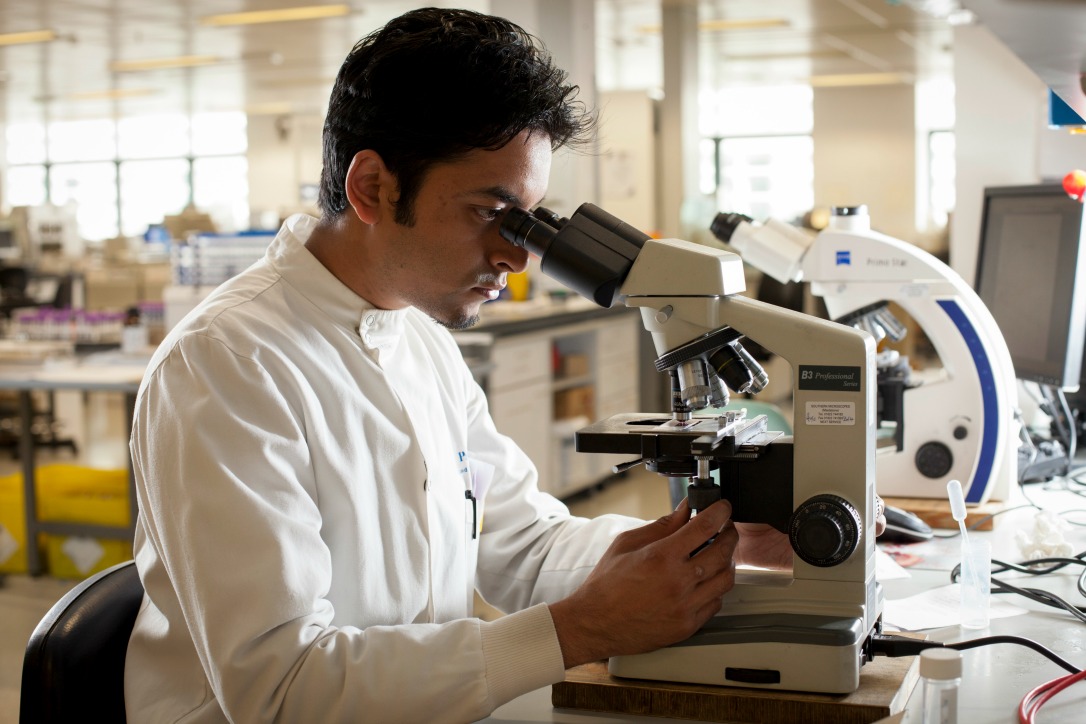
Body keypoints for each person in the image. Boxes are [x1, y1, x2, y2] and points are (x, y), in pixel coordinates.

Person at [125, 8, 843, 723]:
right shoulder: (227, 364)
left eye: (527, 219)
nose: (515, 255)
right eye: (488, 213)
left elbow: (524, 546)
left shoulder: (421, 337)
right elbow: (281, 692)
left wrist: (719, 545)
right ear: (371, 187)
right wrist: (579, 629)